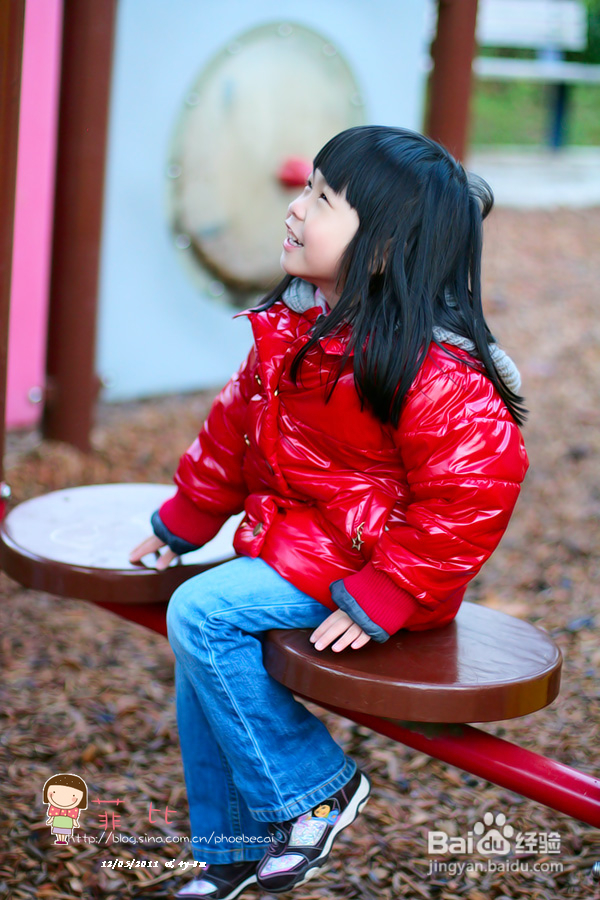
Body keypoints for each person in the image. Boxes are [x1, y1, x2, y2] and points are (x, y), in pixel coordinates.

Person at [130, 126, 528, 899]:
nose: (296, 208)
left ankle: (315, 789)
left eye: (322, 199)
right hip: (307, 544)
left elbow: (474, 491)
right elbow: (232, 430)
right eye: (306, 187)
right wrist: (183, 518)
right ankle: (232, 849)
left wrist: (392, 591)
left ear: (381, 248)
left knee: (203, 615)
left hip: (380, 569)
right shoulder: (298, 326)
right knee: (204, 644)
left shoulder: (428, 365)